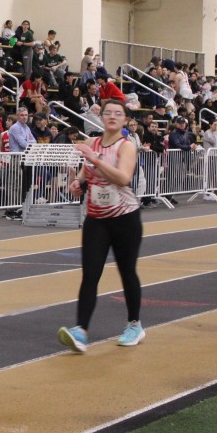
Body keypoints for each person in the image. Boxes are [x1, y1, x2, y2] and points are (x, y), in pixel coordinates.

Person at [57, 99, 146, 353]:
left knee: (127, 271)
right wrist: (78, 183)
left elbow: (123, 178)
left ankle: (134, 325)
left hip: (125, 218)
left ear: (125, 119)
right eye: (108, 113)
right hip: (96, 218)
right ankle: (81, 331)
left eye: (118, 113)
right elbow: (85, 173)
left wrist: (95, 160)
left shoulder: (126, 147)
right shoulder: (92, 143)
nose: (112, 117)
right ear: (101, 117)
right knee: (90, 273)